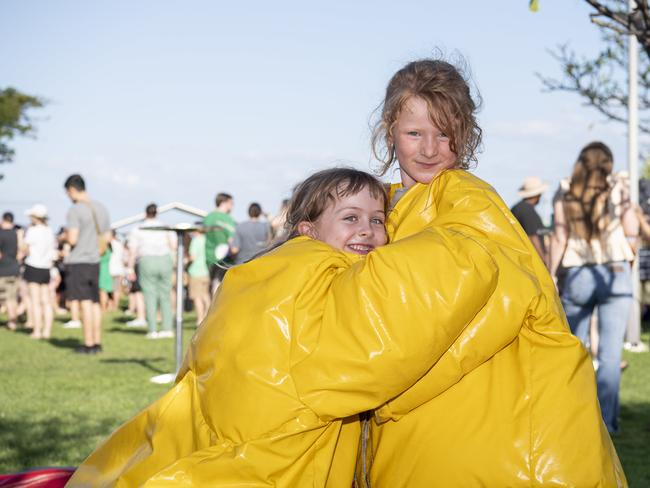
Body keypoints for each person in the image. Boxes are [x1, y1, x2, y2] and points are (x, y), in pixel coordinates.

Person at [67, 167, 497, 486]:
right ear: (308, 229)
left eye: (378, 220)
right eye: (350, 218)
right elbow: (363, 361)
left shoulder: (269, 269)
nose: (367, 230)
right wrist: (466, 247)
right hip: (271, 452)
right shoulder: (309, 271)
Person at [359, 58, 625, 486]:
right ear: (389, 130)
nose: (429, 149)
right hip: (414, 425)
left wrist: (386, 394)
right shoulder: (376, 208)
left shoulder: (468, 200)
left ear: (464, 136)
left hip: (474, 408)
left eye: (444, 133)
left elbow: (498, 293)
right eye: (414, 133)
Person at [550, 142, 635, 435]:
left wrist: (550, 273)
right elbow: (632, 228)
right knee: (610, 356)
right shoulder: (617, 189)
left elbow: (560, 237)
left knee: (573, 350)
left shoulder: (565, 189)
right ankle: (606, 424)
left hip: (578, 273)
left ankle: (571, 415)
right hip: (615, 271)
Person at [63, 174, 111, 354]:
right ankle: (97, 342)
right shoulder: (101, 208)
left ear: (72, 189)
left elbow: (73, 238)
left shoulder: (75, 210)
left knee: (84, 303)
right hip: (95, 261)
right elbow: (106, 238)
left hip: (79, 260)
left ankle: (88, 343)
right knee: (95, 302)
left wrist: (64, 238)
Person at [127, 203, 176, 339]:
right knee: (165, 295)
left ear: (145, 213)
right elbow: (173, 245)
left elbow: (132, 250)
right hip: (164, 259)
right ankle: (167, 328)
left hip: (146, 260)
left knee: (149, 296)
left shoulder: (138, 229)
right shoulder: (165, 227)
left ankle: (153, 329)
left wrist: (130, 267)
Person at [21, 204, 56, 340]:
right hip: (45, 267)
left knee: (35, 301)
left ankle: (37, 330)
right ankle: (46, 331)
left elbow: (25, 248)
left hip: (33, 266)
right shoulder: (49, 231)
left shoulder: (33, 230)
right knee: (46, 301)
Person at [510, 176, 548, 264]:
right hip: (530, 260)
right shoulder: (527, 210)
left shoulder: (517, 208)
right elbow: (533, 236)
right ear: (538, 194)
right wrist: (543, 261)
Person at [203, 192, 236, 292]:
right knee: (221, 286)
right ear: (223, 202)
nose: (232, 206)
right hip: (224, 257)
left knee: (212, 284)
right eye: (231, 203)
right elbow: (232, 240)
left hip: (209, 256)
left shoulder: (208, 218)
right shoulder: (227, 219)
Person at [0, 212, 21, 331]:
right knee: (12, 298)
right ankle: (13, 322)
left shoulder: (1, 234)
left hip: (3, 270)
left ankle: (11, 320)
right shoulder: (16, 234)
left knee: (6, 298)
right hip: (14, 268)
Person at [186, 229, 210, 324]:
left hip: (196, 272)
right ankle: (208, 316)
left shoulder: (196, 241)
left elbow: (193, 257)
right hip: (205, 271)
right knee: (205, 295)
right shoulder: (207, 240)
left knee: (197, 297)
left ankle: (200, 319)